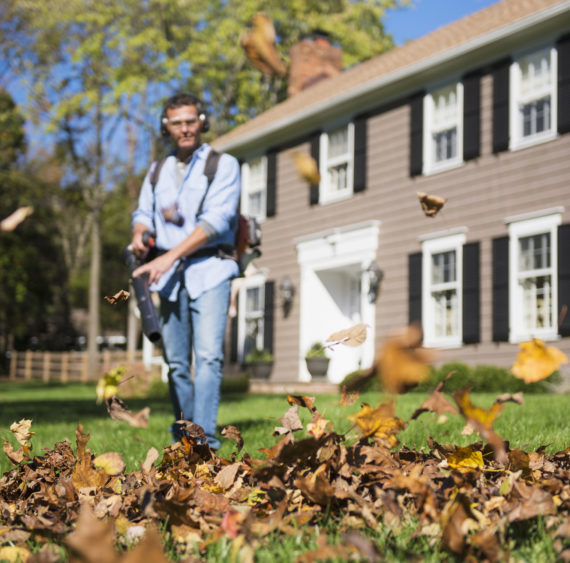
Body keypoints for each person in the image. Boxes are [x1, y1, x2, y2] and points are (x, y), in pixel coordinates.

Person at [130, 93, 241, 450]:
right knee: (177, 363)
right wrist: (139, 234)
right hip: (170, 278)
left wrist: (168, 257)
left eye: (191, 121)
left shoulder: (223, 165)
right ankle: (184, 435)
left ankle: (205, 440)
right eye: (177, 123)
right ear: (167, 126)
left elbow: (217, 220)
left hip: (212, 268)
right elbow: (143, 214)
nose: (185, 128)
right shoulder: (156, 171)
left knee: (208, 357)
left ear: (202, 121)